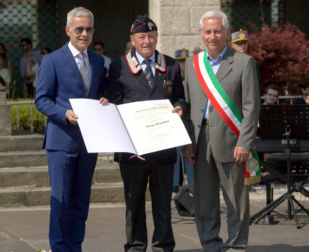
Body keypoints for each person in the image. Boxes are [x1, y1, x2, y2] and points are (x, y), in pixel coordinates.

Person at [107, 14, 187, 251]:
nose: (147, 41)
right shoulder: (118, 66)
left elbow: (180, 97)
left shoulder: (171, 65)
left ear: (157, 37)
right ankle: (136, 246)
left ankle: (163, 246)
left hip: (163, 146)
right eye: (141, 36)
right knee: (134, 202)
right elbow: (112, 102)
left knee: (162, 202)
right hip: (132, 148)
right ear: (132, 39)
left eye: (151, 36)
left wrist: (181, 106)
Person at [184, 10, 260, 252]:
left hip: (232, 139)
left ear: (226, 32)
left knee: (236, 199)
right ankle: (210, 244)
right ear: (201, 34)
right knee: (204, 200)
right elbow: (187, 105)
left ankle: (237, 244)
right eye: (208, 31)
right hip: (200, 139)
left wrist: (245, 142)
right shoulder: (192, 63)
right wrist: (187, 140)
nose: (213, 36)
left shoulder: (243, 62)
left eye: (217, 31)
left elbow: (251, 107)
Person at [34, 7, 107, 252]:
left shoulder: (97, 61)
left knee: (81, 200)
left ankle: (75, 245)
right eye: (79, 29)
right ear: (68, 30)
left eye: (88, 29)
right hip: (61, 141)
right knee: (61, 200)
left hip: (89, 142)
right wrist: (64, 113)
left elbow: (100, 94)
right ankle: (59, 247)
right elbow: (41, 99)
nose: (84, 34)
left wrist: (104, 101)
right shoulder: (52, 60)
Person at [173, 48, 194, 192]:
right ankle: (174, 184)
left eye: (185, 62)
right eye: (180, 62)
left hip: (189, 121)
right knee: (174, 155)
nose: (183, 65)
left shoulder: (192, 78)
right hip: (175, 121)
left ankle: (192, 184)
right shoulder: (173, 77)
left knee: (190, 156)